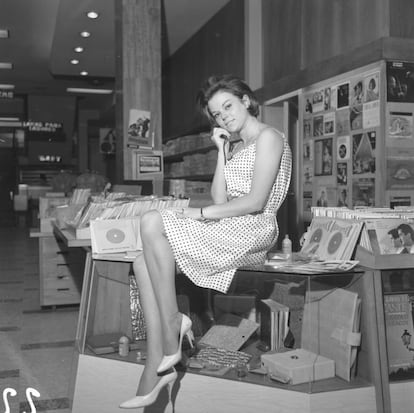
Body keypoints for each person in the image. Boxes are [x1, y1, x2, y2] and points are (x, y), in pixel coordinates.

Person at [119, 74, 292, 409]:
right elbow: (219, 194)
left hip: (254, 227)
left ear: (246, 100)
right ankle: (158, 365)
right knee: (142, 260)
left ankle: (171, 334)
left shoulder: (269, 137)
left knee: (152, 221)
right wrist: (221, 149)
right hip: (231, 224)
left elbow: (256, 202)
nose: (223, 116)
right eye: (216, 113)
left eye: (228, 105)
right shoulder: (238, 145)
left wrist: (198, 215)